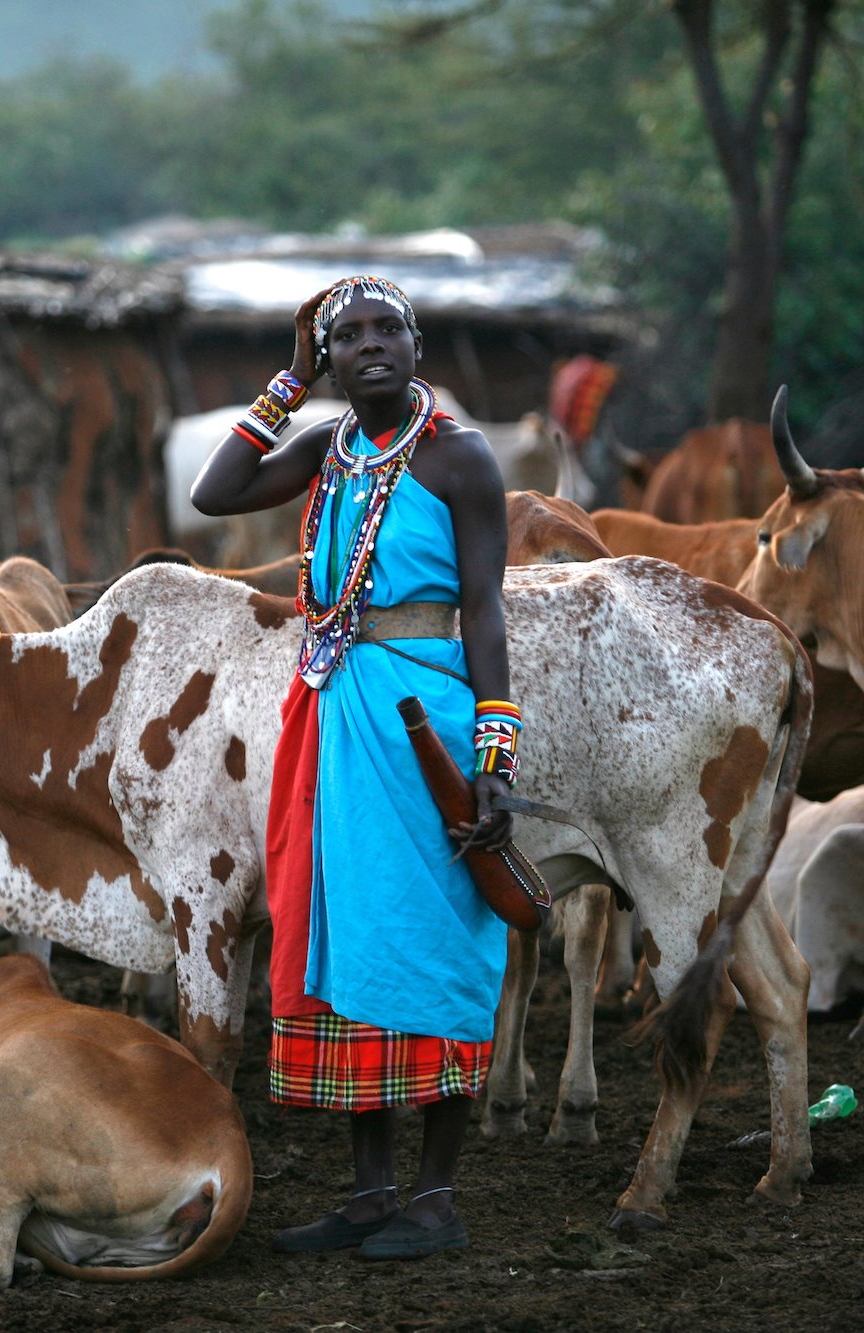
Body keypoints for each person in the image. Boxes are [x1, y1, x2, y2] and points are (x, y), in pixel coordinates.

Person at [190, 277, 519, 1260]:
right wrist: (286, 381)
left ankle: (435, 1196)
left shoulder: (458, 458)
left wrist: (492, 758)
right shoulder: (324, 451)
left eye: (387, 331)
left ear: (417, 347)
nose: (368, 346)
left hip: (426, 719)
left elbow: (486, 613)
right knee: (345, 934)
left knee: (436, 937)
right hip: (333, 716)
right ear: (327, 357)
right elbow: (213, 493)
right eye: (346, 337)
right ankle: (371, 1191)